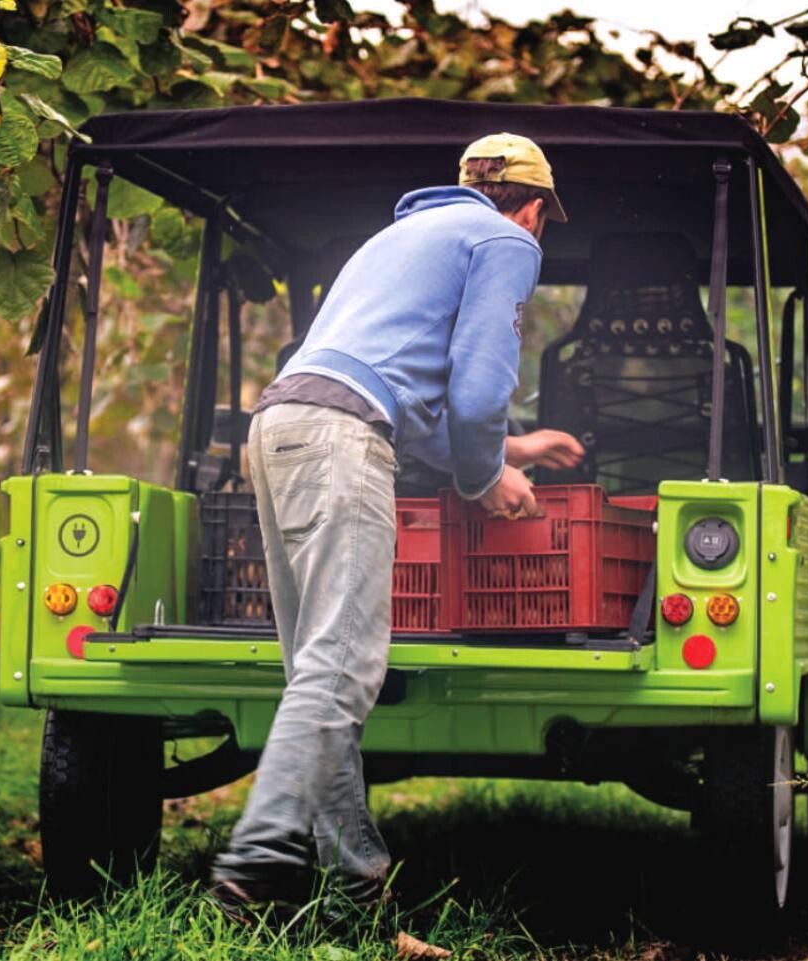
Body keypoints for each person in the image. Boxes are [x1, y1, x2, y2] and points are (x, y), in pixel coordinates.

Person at [208, 133, 585, 918]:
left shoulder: (403, 236)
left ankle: (355, 895)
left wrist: (509, 452)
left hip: (279, 425)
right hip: (341, 438)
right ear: (534, 209)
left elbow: (396, 395)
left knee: (316, 669)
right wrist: (484, 477)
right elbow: (477, 391)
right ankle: (255, 862)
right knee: (342, 667)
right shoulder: (506, 239)